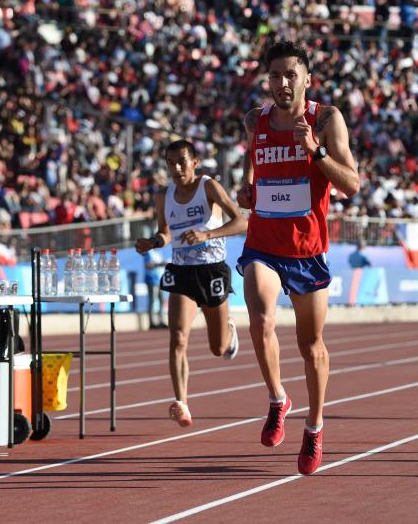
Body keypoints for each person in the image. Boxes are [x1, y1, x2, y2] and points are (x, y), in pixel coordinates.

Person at [236, 41, 359, 476]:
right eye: (275, 76)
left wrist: (316, 151)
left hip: (307, 249)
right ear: (267, 80)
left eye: (291, 75)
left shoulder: (325, 120)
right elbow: (251, 164)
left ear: (307, 78)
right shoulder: (255, 120)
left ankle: (314, 426)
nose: (283, 83)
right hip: (263, 243)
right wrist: (246, 186)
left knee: (311, 347)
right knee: (261, 317)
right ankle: (276, 399)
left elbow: (352, 184)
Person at [134, 139, 246, 428]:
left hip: (212, 271)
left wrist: (207, 235)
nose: (177, 168)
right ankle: (182, 402)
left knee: (217, 348)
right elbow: (166, 232)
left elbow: (241, 222)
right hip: (182, 271)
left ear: (195, 162)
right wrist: (153, 242)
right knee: (178, 337)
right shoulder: (163, 195)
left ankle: (229, 331)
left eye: (182, 161)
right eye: (170, 163)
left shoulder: (208, 187)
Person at [143, 246, 167, 329]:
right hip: (152, 279)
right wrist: (159, 264)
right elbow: (147, 265)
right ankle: (152, 322)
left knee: (161, 300)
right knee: (152, 301)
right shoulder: (149, 252)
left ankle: (161, 321)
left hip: (160, 279)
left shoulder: (159, 252)